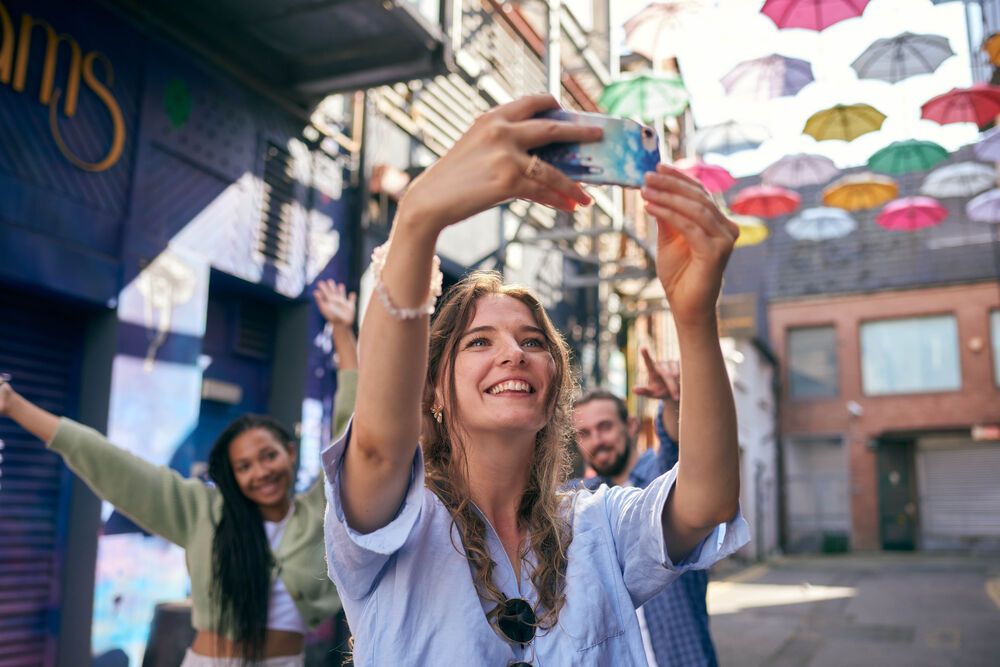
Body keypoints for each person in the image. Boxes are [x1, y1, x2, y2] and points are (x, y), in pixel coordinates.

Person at [321, 94, 748, 666]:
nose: (513, 355)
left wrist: (695, 314)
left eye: (532, 341)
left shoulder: (598, 525)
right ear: (434, 392)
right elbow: (376, 448)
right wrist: (419, 215)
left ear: (555, 393)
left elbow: (708, 501)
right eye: (479, 342)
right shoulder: (395, 522)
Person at [0, 281, 359, 667]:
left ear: (290, 454)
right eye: (244, 466)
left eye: (268, 456)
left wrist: (341, 330)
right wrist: (14, 405)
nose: (260, 472)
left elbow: (353, 429)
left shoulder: (319, 511)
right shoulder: (201, 510)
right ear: (232, 475)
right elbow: (111, 464)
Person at [573, 351, 719, 666]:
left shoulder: (662, 477)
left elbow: (677, 445)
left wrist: (674, 401)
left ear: (631, 425)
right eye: (585, 433)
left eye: (605, 427)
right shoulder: (584, 500)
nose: (597, 440)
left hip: (681, 657)